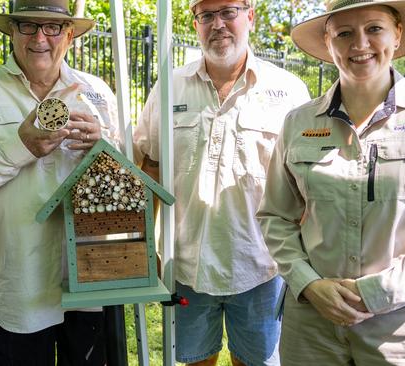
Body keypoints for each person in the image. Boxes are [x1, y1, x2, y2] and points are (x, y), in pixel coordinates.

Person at [0, 0, 118, 364]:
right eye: (27, 26)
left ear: (68, 35)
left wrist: (104, 148)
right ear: (12, 32)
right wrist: (19, 148)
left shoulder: (96, 92)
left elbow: (128, 174)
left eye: (52, 27)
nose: (39, 38)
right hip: (17, 280)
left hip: (88, 275)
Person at [256, 0, 405, 364]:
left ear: (398, 33)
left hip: (404, 328)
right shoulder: (299, 123)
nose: (360, 44)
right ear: (328, 42)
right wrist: (308, 283)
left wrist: (381, 291)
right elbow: (275, 216)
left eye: (374, 28)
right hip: (312, 327)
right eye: (344, 33)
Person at [133, 0, 310, 365]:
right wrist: (144, 243)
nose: (218, 25)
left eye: (228, 12)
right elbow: (148, 167)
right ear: (196, 23)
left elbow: (307, 186)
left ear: (250, 17)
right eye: (206, 16)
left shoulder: (288, 91)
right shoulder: (169, 86)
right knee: (196, 359)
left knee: (254, 361)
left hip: (262, 265)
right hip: (186, 264)